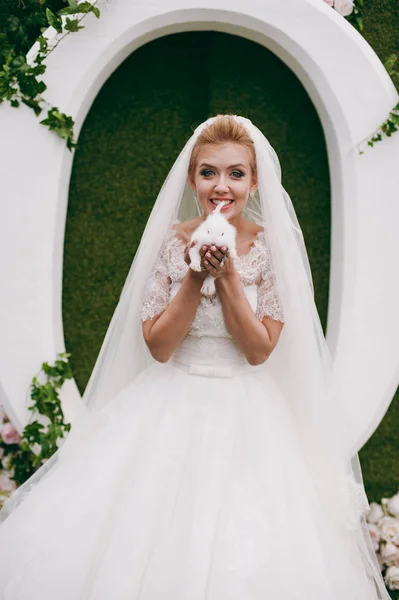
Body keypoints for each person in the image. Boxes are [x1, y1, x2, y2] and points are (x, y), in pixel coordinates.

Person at [0, 115, 390, 599]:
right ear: (192, 179)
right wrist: (193, 274)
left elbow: (258, 350)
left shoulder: (273, 250)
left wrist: (227, 277)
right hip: (170, 399)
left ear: (254, 181)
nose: (221, 186)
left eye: (235, 173)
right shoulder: (171, 241)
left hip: (249, 412)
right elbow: (159, 347)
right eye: (208, 172)